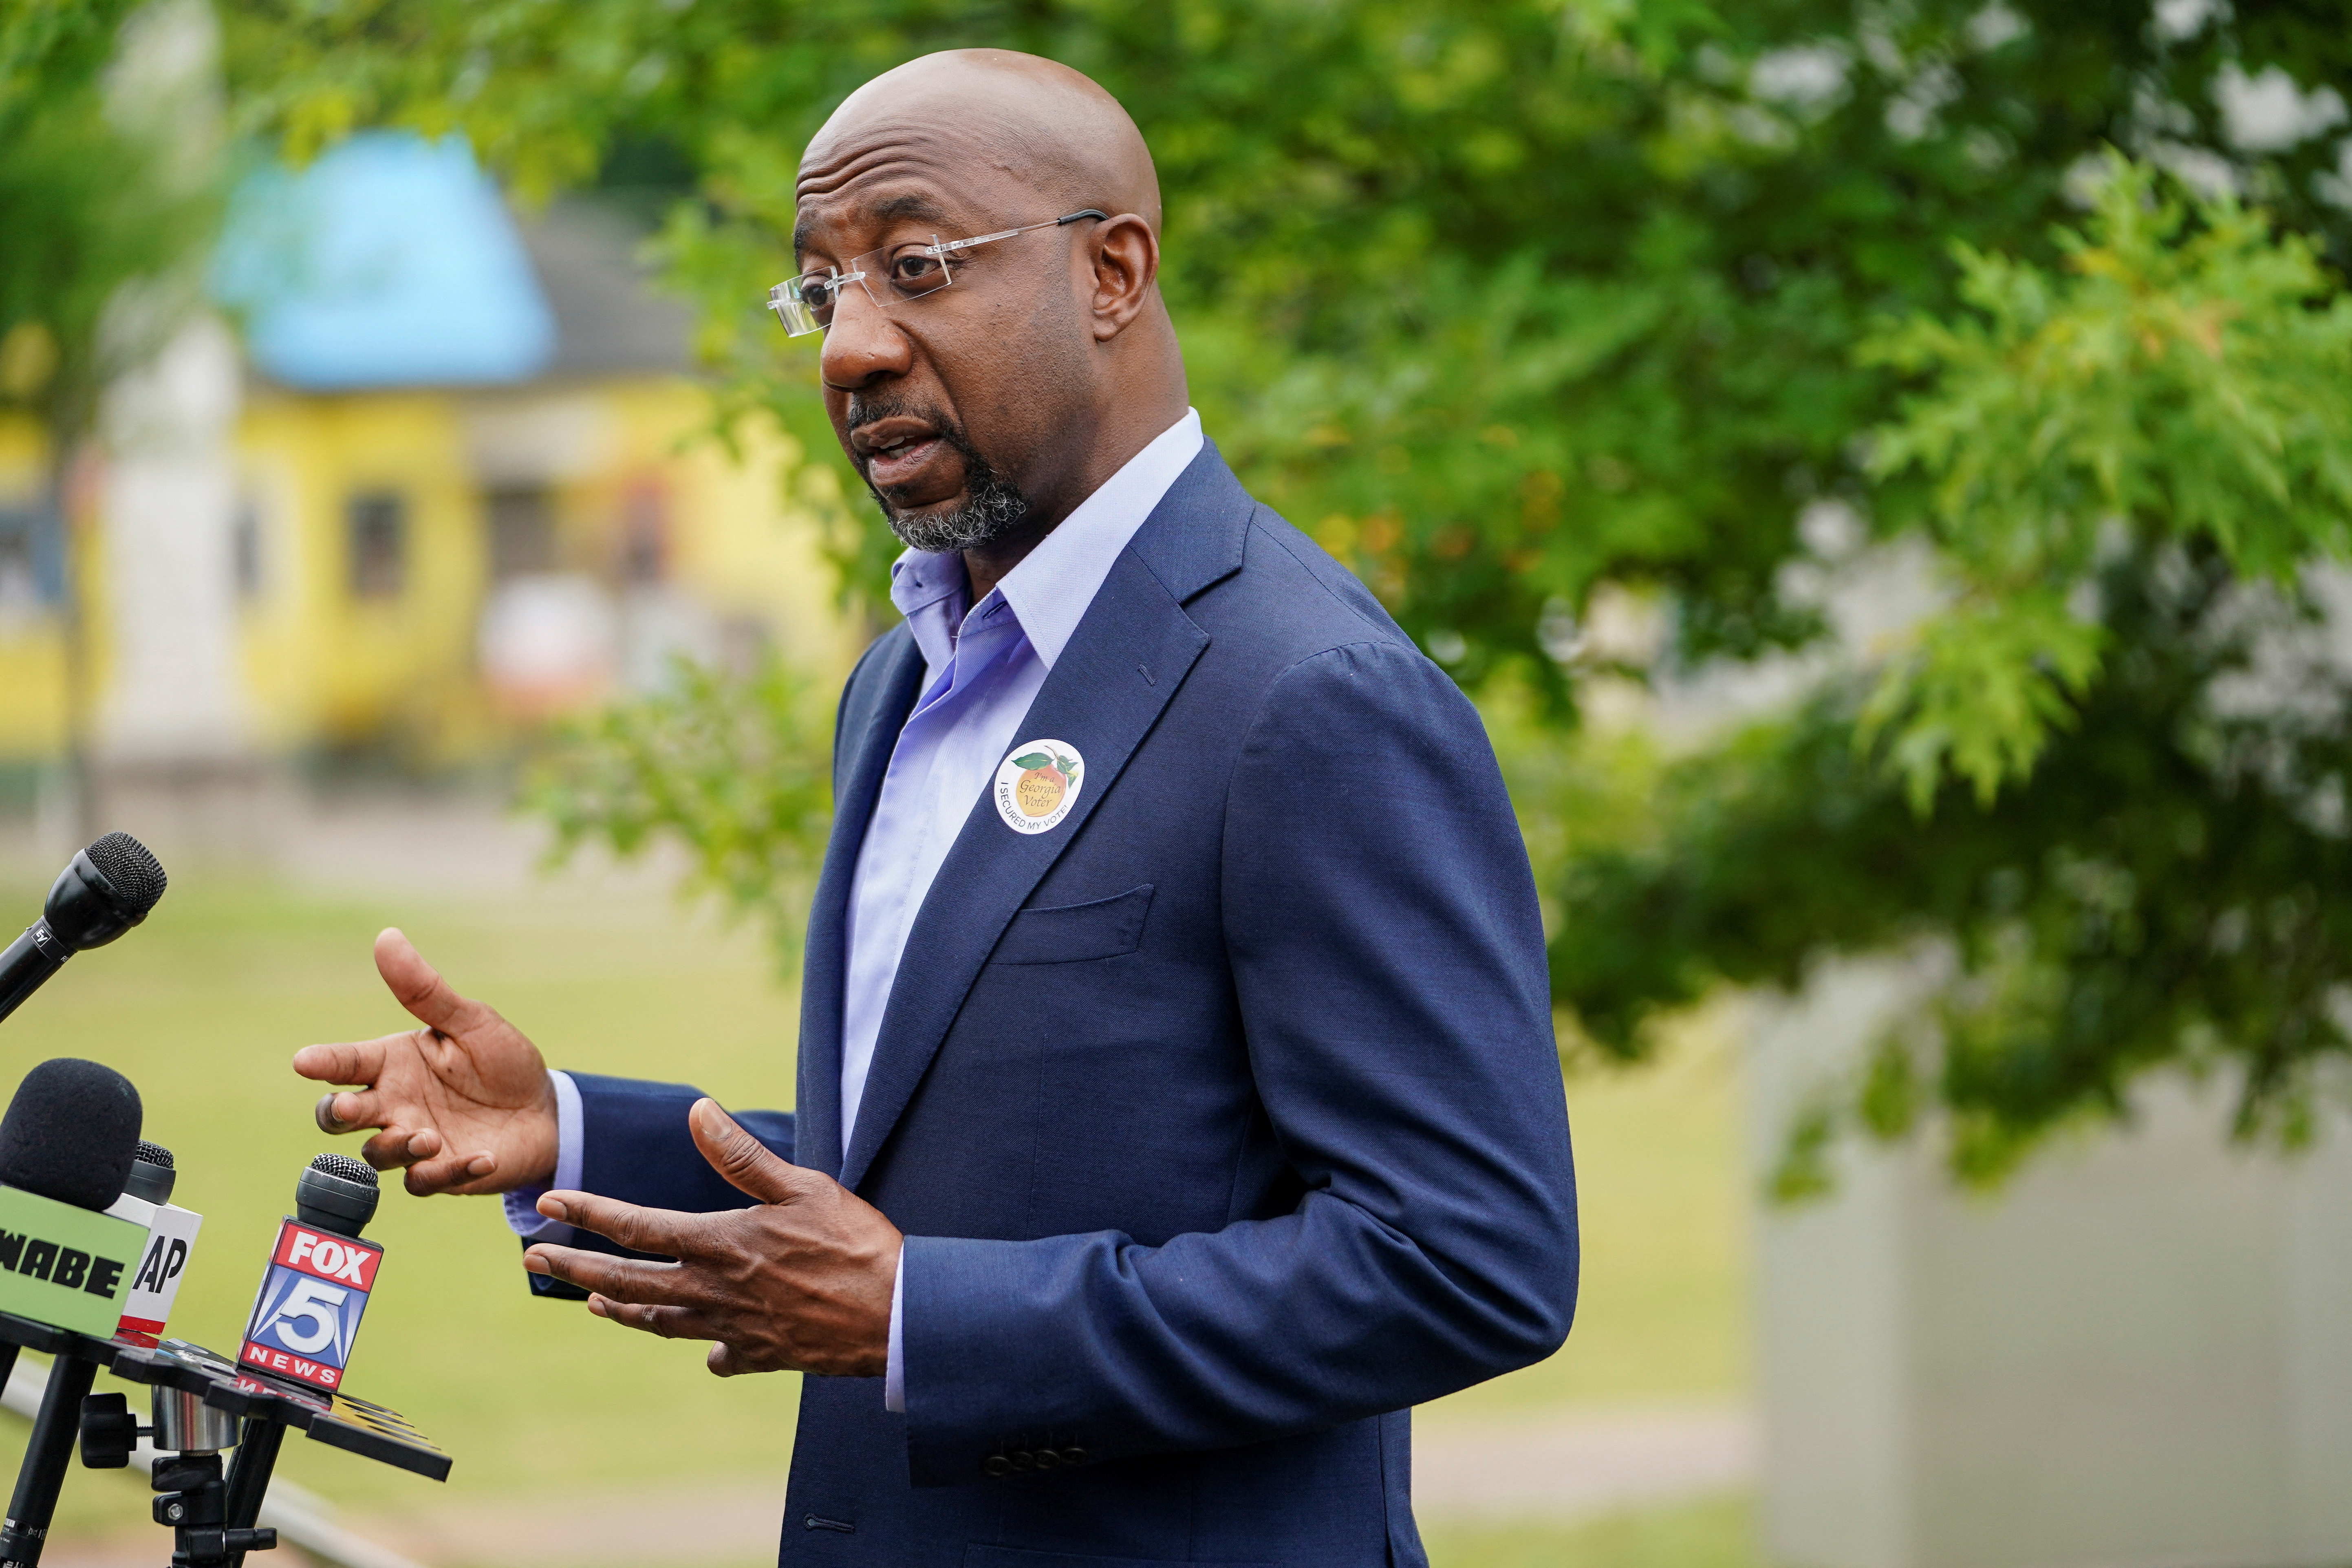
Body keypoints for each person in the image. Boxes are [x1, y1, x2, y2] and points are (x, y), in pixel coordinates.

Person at [294, 47, 1576, 1568]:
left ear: (1112, 272)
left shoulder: (1311, 696)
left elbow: (1465, 1259)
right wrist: (565, 1131)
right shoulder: (898, 688)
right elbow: (930, 1180)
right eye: (818, 292)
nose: (848, 348)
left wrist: (919, 1318)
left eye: (914, 268)